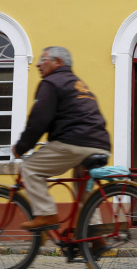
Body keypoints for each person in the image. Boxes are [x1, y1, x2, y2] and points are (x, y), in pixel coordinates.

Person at [12, 46, 111, 231]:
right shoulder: (78, 84)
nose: (38, 65)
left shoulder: (52, 82)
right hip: (100, 144)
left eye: (44, 60)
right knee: (83, 191)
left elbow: (39, 120)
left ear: (58, 62)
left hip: (74, 142)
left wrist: (22, 147)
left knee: (30, 168)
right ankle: (96, 236)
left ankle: (46, 214)